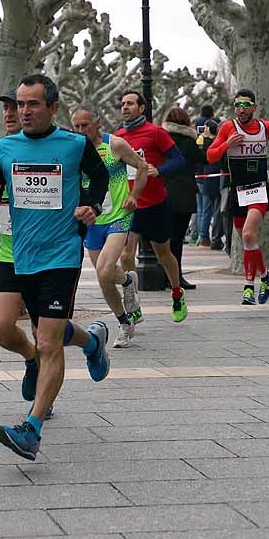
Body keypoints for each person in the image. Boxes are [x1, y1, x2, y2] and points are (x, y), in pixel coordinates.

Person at [0, 74, 111, 461]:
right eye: (21, 104)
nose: (24, 111)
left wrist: (92, 204)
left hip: (60, 255)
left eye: (33, 104)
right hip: (17, 255)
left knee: (49, 341)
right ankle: (92, 341)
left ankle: (31, 429)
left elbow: (99, 176)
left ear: (53, 107)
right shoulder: (3, 148)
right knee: (14, 329)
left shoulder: (74, 144)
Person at [0, 89, 46, 413]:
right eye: (7, 108)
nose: (11, 113)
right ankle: (31, 357)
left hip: (47, 254)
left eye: (18, 106)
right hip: (6, 252)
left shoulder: (55, 147)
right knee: (1, 327)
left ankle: (42, 400)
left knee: (46, 331)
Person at [71, 108, 148, 348]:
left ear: (97, 123)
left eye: (86, 125)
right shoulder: (74, 150)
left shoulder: (115, 144)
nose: (82, 131)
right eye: (77, 127)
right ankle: (127, 284)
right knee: (106, 277)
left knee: (103, 271)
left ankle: (124, 326)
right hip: (92, 220)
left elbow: (142, 166)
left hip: (118, 216)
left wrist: (134, 195)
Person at [205, 90, 269, 304]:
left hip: (258, 189)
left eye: (245, 105)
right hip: (237, 191)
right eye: (238, 105)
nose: (241, 109)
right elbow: (210, 155)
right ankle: (265, 276)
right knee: (247, 240)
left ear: (254, 107)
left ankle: (248, 287)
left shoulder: (265, 127)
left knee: (249, 234)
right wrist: (227, 145)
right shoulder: (227, 128)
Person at [116, 91, 189, 323]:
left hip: (156, 203)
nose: (125, 107)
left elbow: (179, 160)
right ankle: (133, 302)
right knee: (126, 255)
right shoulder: (118, 137)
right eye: (123, 104)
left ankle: (177, 293)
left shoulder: (156, 133)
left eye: (130, 104)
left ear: (142, 108)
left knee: (164, 255)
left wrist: (160, 171)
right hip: (130, 204)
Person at [162, 108, 204, 290]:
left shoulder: (162, 139)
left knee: (163, 238)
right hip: (184, 195)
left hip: (163, 192)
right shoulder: (189, 141)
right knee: (177, 239)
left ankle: (163, 274)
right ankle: (176, 276)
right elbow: (204, 159)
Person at [196, 107, 222, 247]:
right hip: (212, 179)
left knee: (203, 210)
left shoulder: (202, 141)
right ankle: (206, 236)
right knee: (211, 210)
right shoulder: (214, 143)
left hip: (203, 178)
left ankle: (202, 236)